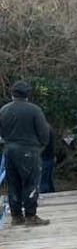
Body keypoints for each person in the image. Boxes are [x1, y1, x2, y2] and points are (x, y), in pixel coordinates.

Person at [0, 81, 51, 226]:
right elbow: (44, 132)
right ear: (28, 94)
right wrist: (41, 146)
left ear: (12, 94)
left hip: (9, 150)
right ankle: (30, 215)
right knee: (31, 183)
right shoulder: (34, 110)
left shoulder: (3, 110)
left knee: (13, 183)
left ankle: (16, 216)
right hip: (29, 150)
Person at [40, 126, 56, 193]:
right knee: (48, 179)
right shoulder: (49, 128)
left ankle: (44, 192)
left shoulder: (44, 129)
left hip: (45, 157)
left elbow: (44, 144)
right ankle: (51, 192)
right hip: (50, 156)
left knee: (44, 179)